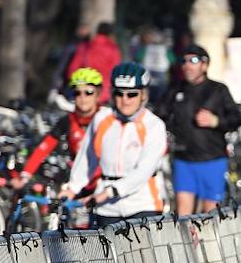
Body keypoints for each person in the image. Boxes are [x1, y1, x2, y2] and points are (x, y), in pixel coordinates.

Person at [61, 62, 167, 227]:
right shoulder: (101, 119)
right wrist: (72, 188)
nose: (125, 100)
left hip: (142, 204)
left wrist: (110, 192)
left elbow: (144, 171)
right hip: (107, 208)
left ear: (143, 95)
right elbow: (86, 159)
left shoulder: (154, 125)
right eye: (119, 94)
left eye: (132, 94)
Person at [162, 44, 241, 216]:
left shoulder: (218, 90)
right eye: (184, 61)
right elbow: (159, 116)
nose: (187, 65)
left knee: (210, 215)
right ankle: (187, 243)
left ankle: (210, 243)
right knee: (184, 216)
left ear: (204, 65)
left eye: (193, 60)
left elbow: (236, 119)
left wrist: (216, 121)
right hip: (184, 160)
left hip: (211, 160)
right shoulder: (176, 89)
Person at [14, 67, 105, 192]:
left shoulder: (107, 119)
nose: (83, 97)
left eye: (89, 92)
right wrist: (25, 175)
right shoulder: (67, 120)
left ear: (98, 94)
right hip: (77, 183)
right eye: (77, 93)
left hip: (102, 184)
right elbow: (44, 148)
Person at [65, 22, 121, 104]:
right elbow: (116, 70)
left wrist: (72, 81)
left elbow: (74, 67)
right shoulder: (113, 48)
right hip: (104, 90)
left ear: (97, 31)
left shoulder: (87, 46)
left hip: (85, 88)